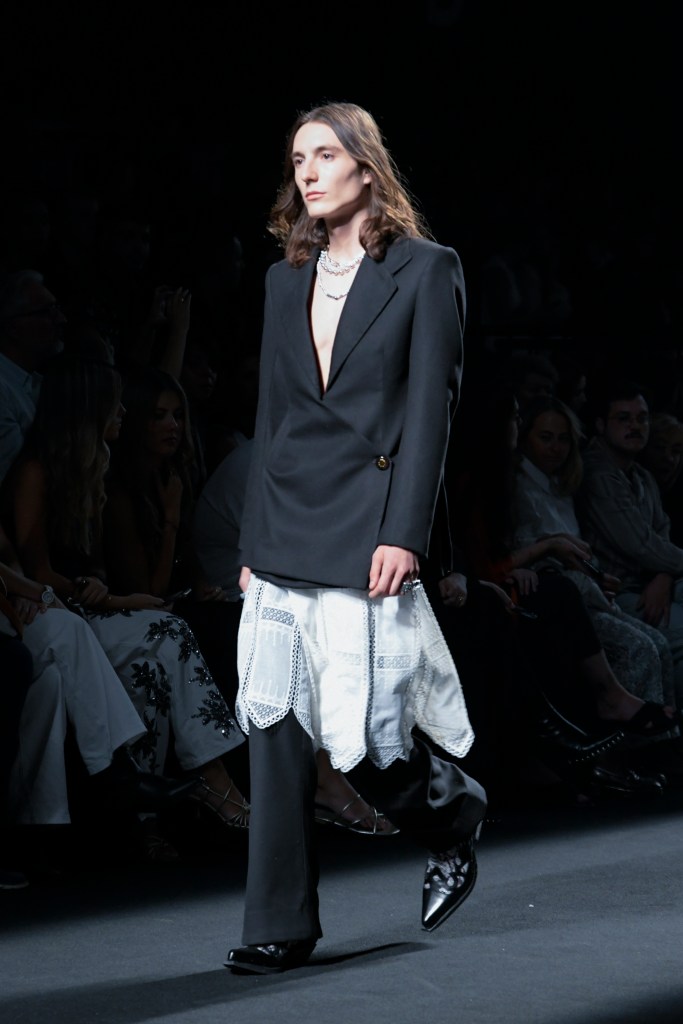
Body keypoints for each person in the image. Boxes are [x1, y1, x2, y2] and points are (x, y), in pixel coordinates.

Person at [224, 101, 486, 976]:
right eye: (297, 158)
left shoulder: (426, 269)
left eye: (325, 155)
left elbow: (431, 411)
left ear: (366, 168)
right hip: (287, 520)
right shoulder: (283, 279)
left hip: (368, 522)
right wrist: (253, 539)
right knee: (276, 725)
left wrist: (404, 532)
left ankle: (451, 813)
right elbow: (273, 417)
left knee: (368, 738)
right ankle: (277, 923)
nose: (307, 172)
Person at [4, 355, 250, 856]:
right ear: (87, 408)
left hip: (79, 608)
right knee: (166, 631)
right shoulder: (35, 471)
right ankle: (206, 783)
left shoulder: (90, 471)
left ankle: (145, 819)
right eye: (114, 403)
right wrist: (109, 596)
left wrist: (98, 585)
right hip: (55, 612)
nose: (122, 412)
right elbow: (38, 571)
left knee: (151, 668)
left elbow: (88, 567)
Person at [514, 394, 677, 716]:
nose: (555, 448)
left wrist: (662, 574)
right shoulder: (518, 485)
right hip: (562, 594)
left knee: (657, 644)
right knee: (642, 647)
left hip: (594, 588)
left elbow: (660, 532)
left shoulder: (563, 484)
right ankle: (633, 736)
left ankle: (663, 734)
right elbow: (640, 545)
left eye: (563, 439)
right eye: (546, 437)